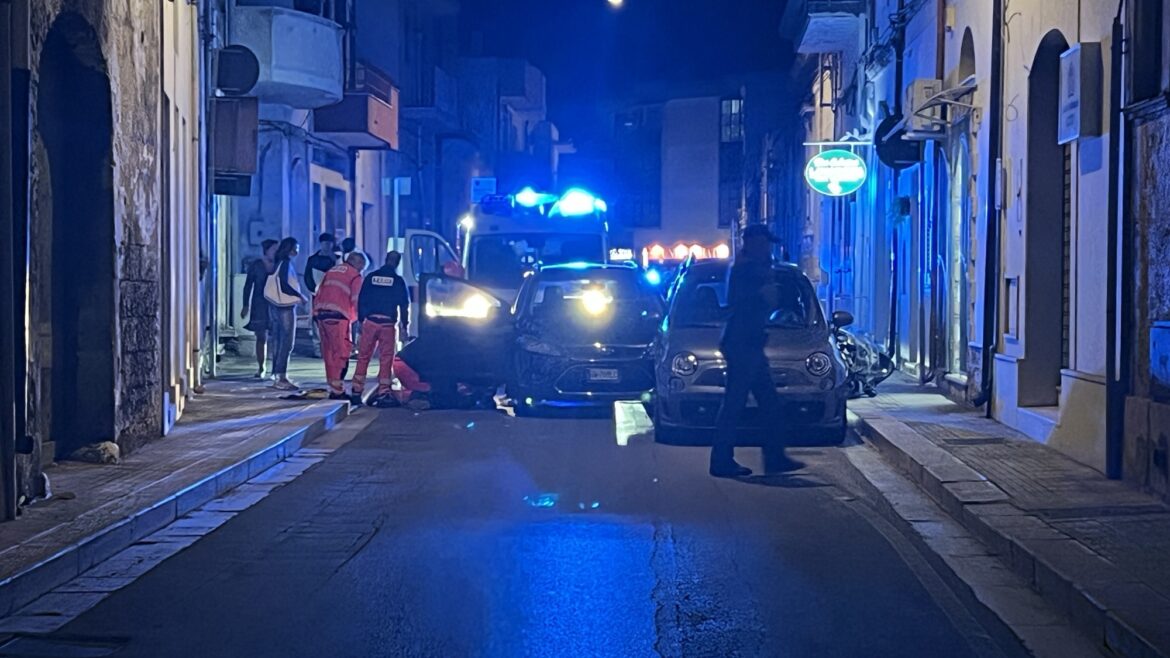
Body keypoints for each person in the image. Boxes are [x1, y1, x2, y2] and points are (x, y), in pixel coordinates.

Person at [710, 224, 801, 478]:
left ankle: (773, 457)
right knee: (735, 403)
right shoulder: (748, 270)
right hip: (743, 344)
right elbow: (760, 302)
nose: (768, 249)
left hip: (747, 342)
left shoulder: (747, 268)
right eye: (764, 243)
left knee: (767, 402)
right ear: (752, 243)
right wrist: (767, 284)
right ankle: (723, 461)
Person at [353, 251, 410, 404]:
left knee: (363, 356)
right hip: (387, 324)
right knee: (386, 358)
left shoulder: (371, 277)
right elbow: (404, 305)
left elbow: (362, 299)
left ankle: (356, 390)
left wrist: (361, 321)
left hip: (370, 322)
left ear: (385, 260)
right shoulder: (398, 281)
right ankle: (383, 391)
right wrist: (405, 325)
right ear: (397, 263)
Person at [313, 252, 368, 399]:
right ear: (358, 263)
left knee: (328, 353)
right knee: (341, 353)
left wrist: (315, 314)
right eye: (362, 267)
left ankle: (333, 387)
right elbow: (356, 300)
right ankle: (338, 389)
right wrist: (360, 320)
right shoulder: (354, 276)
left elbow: (319, 292)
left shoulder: (331, 271)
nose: (362, 270)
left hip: (321, 315)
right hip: (338, 316)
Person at [265, 237, 309, 391]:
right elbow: (284, 284)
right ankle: (281, 376)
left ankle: (277, 374)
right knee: (287, 342)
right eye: (296, 247)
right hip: (285, 306)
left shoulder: (279, 262)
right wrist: (300, 296)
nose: (297, 251)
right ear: (290, 249)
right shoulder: (285, 263)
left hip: (276, 305)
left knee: (278, 340)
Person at [240, 239, 278, 378]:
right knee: (261, 336)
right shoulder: (256, 265)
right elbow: (248, 285)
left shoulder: (279, 264)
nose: (276, 252)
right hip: (259, 304)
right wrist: (245, 305)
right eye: (273, 249)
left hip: (275, 303)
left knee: (277, 337)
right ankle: (261, 366)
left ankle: (276, 369)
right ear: (266, 250)